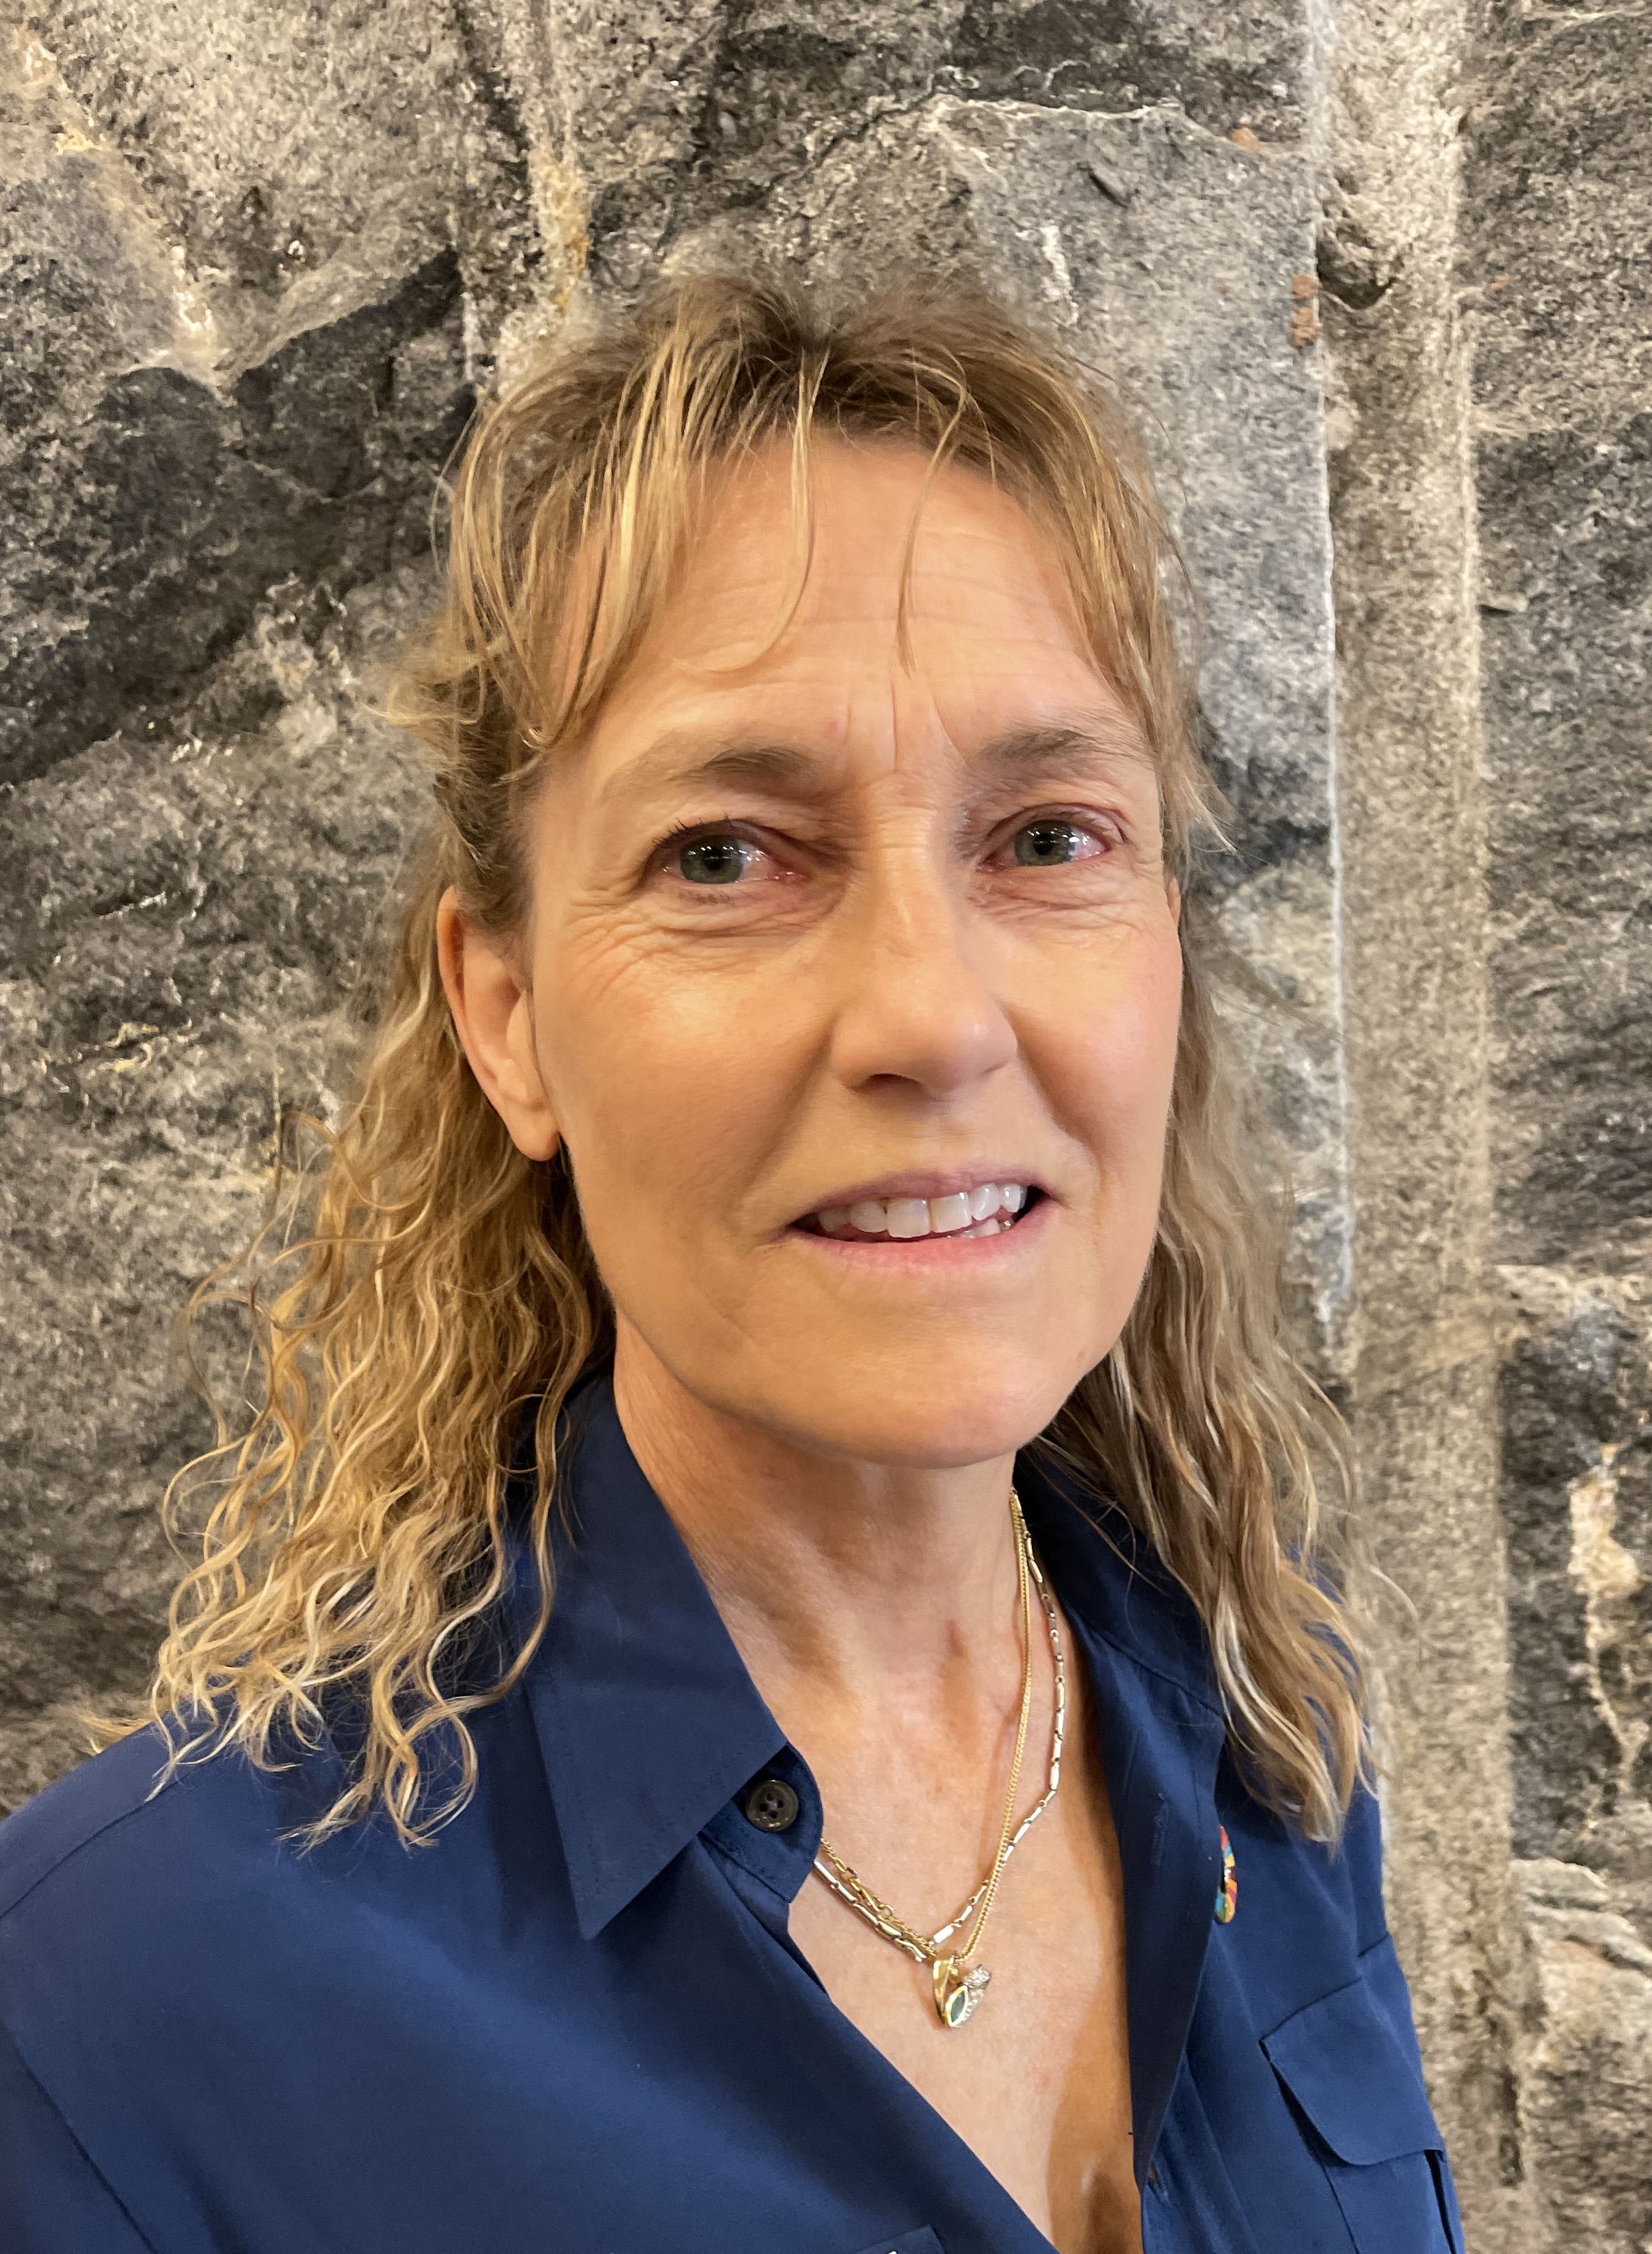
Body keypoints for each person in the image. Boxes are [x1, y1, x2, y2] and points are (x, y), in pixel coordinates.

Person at [0, 273, 1463, 2254]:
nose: (933, 1021)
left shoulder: (1270, 1755)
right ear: (504, 1014)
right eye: (725, 855)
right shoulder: (119, 2012)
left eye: (1045, 837)